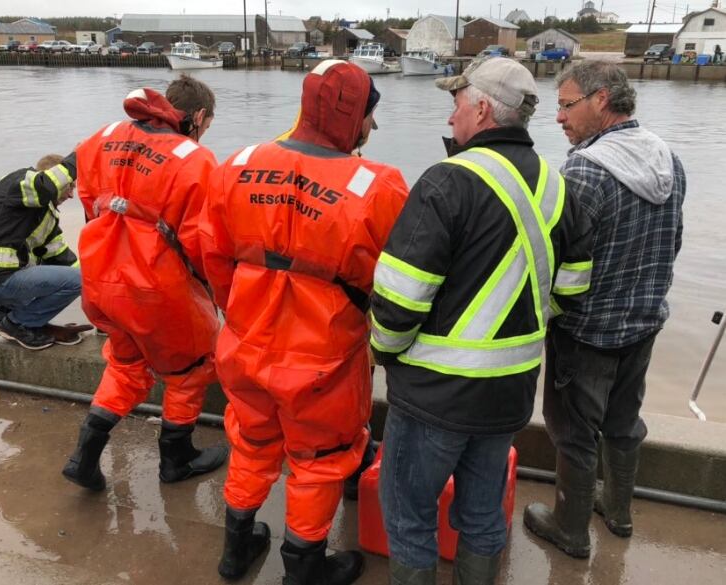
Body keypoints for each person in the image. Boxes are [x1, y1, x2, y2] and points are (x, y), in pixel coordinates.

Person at [369, 57, 593, 585]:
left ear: (483, 108)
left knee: (408, 518)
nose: (451, 119)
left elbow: (398, 303)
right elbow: (571, 293)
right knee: (482, 516)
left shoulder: (446, 182)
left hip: (432, 398)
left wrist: (385, 352)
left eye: (456, 104)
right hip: (508, 396)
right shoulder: (562, 190)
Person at [198, 60, 408, 584]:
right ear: (355, 115)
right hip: (324, 361)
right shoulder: (379, 187)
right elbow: (406, 279)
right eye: (369, 117)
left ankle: (235, 551)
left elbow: (212, 254)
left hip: (244, 345)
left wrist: (244, 311)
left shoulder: (238, 164)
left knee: (251, 441)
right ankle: (304, 572)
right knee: (319, 461)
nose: (371, 129)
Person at [523, 61, 685, 558]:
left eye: (566, 105)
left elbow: (559, 257)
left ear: (601, 101)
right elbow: (672, 243)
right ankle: (618, 512)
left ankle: (569, 530)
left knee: (573, 430)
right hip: (644, 323)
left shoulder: (585, 170)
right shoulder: (668, 160)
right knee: (623, 420)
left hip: (588, 332)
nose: (557, 118)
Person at [61, 74, 227, 492]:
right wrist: (218, 294)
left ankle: (85, 455)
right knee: (190, 370)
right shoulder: (195, 159)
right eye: (207, 125)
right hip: (156, 288)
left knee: (126, 365)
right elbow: (203, 241)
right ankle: (176, 459)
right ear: (199, 116)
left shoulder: (103, 137)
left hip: (101, 281)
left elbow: (88, 201)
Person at [0, 154, 84, 350]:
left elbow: (62, 260)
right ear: (51, 177)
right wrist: (81, 153)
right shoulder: (19, 182)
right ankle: (18, 324)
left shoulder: (44, 213)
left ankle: (4, 314)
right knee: (79, 280)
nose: (71, 195)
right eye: (69, 186)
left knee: (74, 276)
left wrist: (98, 287)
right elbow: (44, 185)